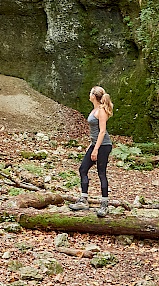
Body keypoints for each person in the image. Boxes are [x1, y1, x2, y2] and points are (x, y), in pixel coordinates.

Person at [69, 85, 114, 218]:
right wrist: (91, 145)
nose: (89, 95)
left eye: (90, 93)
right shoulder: (95, 109)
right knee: (83, 169)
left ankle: (104, 204)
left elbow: (102, 131)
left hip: (103, 146)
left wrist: (95, 149)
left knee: (101, 173)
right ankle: (83, 200)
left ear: (94, 96)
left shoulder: (101, 111)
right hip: (95, 144)